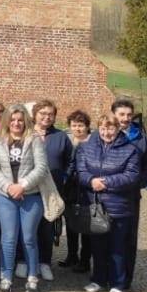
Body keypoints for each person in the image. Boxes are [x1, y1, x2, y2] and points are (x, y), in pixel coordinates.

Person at [0, 104, 48, 292]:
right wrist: (9, 187)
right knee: (8, 238)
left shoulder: (34, 140)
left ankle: (32, 277)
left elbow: (41, 167)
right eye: (12, 120)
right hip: (5, 196)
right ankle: (6, 278)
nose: (16, 123)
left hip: (30, 195)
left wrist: (22, 185)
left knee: (29, 238)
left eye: (20, 120)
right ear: (7, 121)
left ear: (25, 121)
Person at [77, 115, 141, 292]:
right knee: (98, 246)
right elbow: (81, 171)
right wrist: (91, 180)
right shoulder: (86, 147)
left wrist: (105, 182)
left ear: (118, 129)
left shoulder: (131, 150)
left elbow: (131, 176)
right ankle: (98, 279)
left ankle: (117, 283)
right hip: (95, 205)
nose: (107, 132)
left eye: (111, 128)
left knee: (118, 248)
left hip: (119, 206)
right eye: (103, 128)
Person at [15, 100, 72, 282]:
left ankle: (44, 262)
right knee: (25, 227)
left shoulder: (60, 136)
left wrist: (63, 178)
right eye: (43, 113)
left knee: (47, 228)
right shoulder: (25, 133)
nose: (47, 117)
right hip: (27, 189)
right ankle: (22, 260)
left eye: (50, 114)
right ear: (35, 114)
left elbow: (71, 161)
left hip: (50, 190)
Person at [111, 99, 147, 290]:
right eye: (121, 114)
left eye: (129, 115)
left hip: (130, 196)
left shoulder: (140, 137)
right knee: (104, 235)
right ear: (114, 114)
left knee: (128, 239)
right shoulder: (106, 132)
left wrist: (137, 183)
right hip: (108, 193)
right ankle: (103, 275)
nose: (125, 118)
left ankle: (125, 279)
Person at [59, 109, 92, 272]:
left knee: (86, 226)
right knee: (71, 224)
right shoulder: (68, 142)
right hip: (70, 189)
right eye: (74, 125)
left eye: (81, 125)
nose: (78, 129)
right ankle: (72, 256)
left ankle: (85, 260)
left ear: (87, 126)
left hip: (86, 189)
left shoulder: (93, 142)